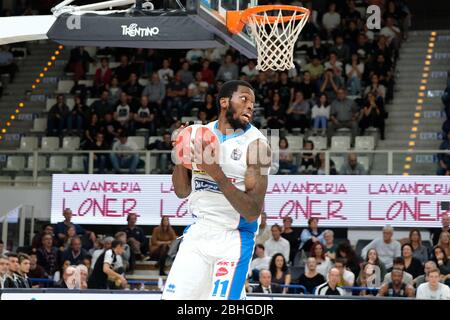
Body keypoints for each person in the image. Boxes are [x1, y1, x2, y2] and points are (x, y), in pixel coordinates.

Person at [162, 80, 272, 300]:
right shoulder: (198, 134)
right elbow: (182, 192)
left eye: (252, 102)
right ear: (224, 102)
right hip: (200, 232)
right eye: (244, 99)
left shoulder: (258, 146)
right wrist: (180, 157)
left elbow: (252, 212)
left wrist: (217, 174)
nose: (250, 105)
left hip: (234, 239)